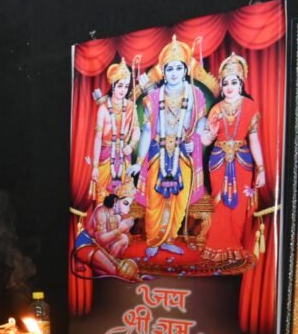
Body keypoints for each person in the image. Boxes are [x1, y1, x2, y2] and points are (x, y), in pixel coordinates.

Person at [134, 35, 208, 259]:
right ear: (163, 72)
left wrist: (195, 141)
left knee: (179, 200)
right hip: (157, 152)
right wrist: (138, 162)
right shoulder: (153, 97)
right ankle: (154, 239)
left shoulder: (195, 95)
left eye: (178, 68)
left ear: (185, 70)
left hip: (183, 153)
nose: (174, 73)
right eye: (169, 69)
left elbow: (201, 125)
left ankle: (169, 239)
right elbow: (147, 131)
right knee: (155, 199)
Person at [200, 53, 266, 263]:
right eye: (225, 82)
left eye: (234, 82)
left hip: (243, 162)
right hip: (219, 160)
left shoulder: (250, 106)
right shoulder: (216, 109)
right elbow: (205, 141)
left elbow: (254, 139)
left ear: (241, 83)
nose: (229, 87)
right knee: (221, 206)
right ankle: (217, 248)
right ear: (221, 85)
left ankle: (234, 247)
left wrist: (261, 168)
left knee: (238, 207)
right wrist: (211, 132)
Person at [90, 59, 139, 203]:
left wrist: (131, 145)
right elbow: (98, 138)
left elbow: (136, 129)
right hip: (105, 157)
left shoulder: (131, 106)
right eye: (119, 86)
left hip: (124, 156)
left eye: (126, 86)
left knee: (124, 200)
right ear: (112, 85)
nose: (123, 90)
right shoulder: (103, 108)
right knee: (102, 199)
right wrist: (94, 166)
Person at [72, 182, 140, 281]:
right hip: (88, 245)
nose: (128, 209)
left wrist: (125, 229)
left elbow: (115, 237)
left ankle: (108, 264)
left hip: (102, 247)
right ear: (116, 200)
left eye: (130, 204)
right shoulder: (101, 211)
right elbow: (101, 239)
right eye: (125, 203)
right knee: (115, 272)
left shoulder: (118, 215)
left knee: (124, 239)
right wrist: (120, 230)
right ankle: (81, 258)